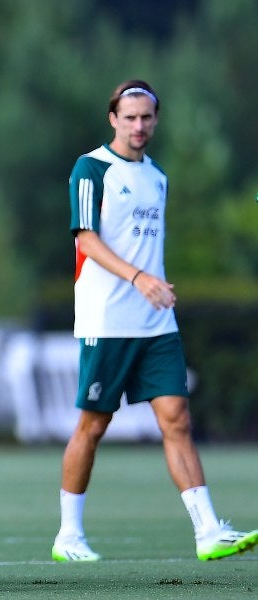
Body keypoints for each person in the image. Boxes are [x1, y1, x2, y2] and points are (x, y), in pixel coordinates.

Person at [53, 79, 258, 563]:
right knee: (93, 425)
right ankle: (68, 534)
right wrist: (140, 277)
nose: (139, 126)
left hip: (155, 322)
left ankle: (208, 530)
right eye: (130, 117)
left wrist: (157, 284)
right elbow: (85, 239)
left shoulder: (158, 175)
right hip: (108, 320)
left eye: (147, 117)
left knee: (177, 419)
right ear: (113, 119)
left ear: (155, 119)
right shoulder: (91, 168)